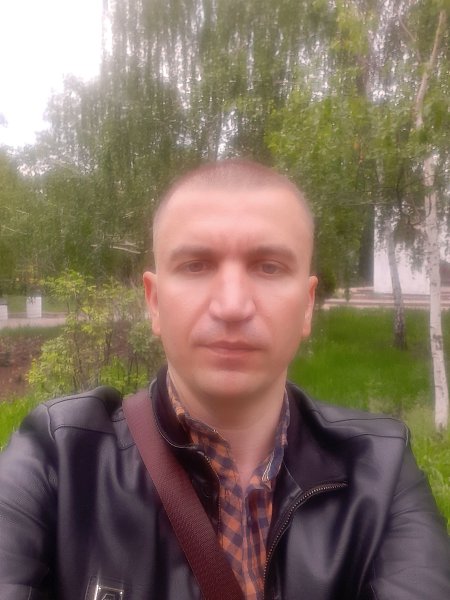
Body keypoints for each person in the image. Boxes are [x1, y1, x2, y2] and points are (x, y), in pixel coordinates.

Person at [0, 159, 449, 600]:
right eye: (196, 265)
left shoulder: (380, 469)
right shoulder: (59, 457)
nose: (232, 306)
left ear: (307, 305)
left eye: (269, 266)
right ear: (154, 302)